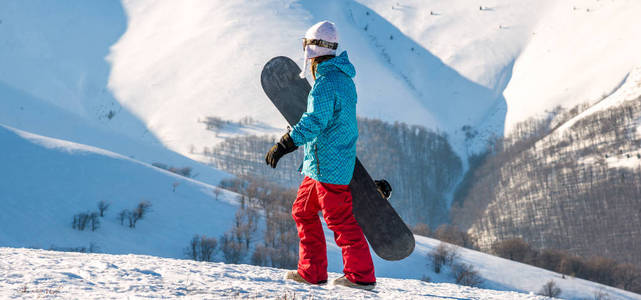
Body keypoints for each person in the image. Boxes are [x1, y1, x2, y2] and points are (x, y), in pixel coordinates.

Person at [264, 20, 377, 290]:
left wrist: (286, 143)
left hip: (329, 164)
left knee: (339, 218)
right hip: (321, 162)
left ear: (311, 50)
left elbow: (316, 120)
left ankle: (361, 276)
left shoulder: (327, 82)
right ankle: (312, 271)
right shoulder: (342, 79)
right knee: (302, 211)